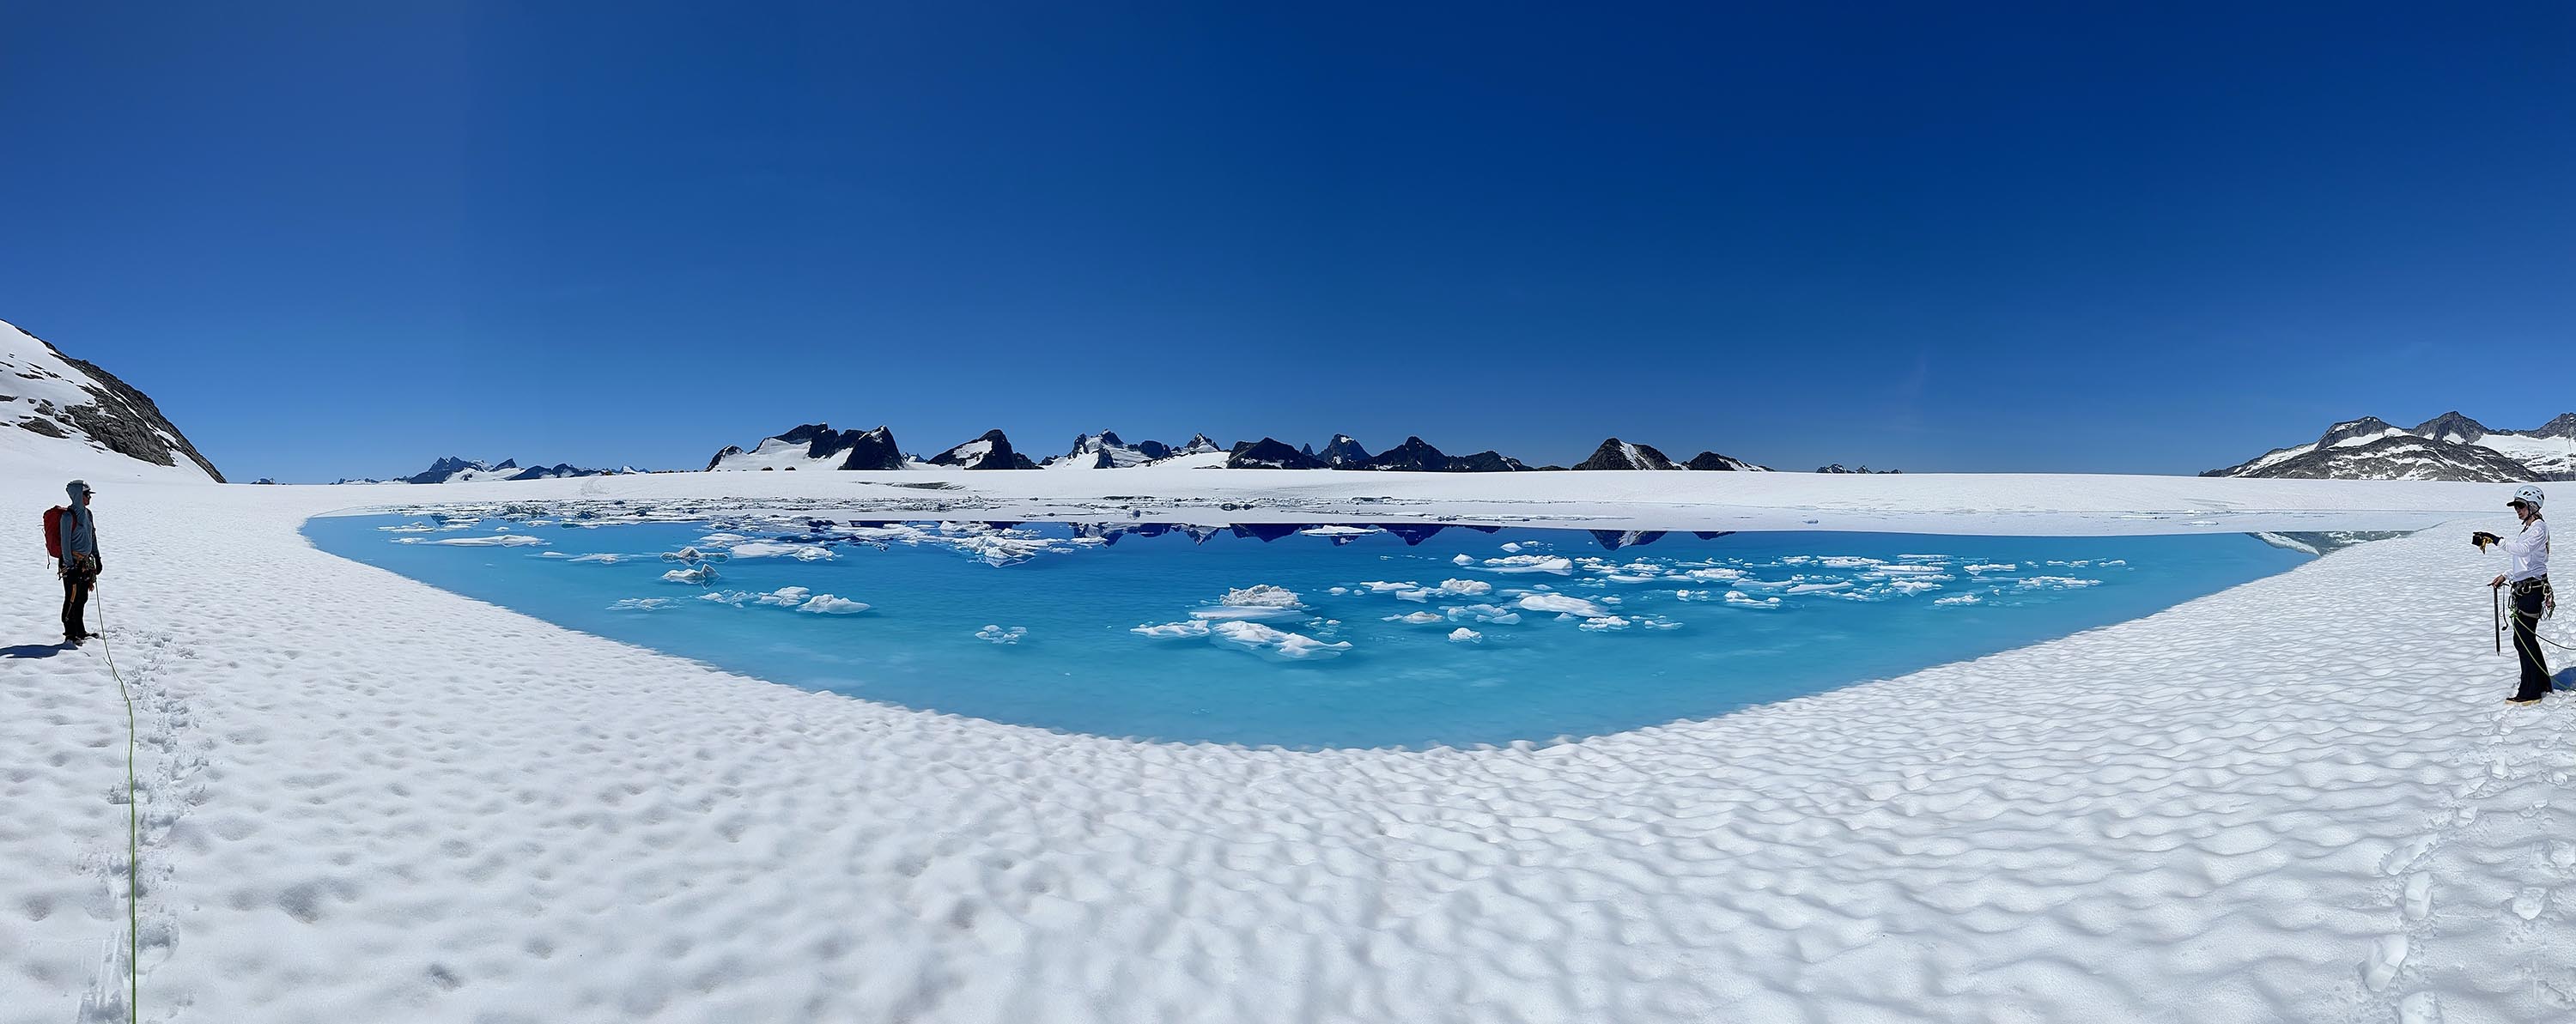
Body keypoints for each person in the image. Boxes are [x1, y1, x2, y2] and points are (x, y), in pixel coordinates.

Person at [2475, 484, 2552, 705]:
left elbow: (2522, 551)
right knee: (2525, 639)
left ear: (2533, 506)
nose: (2517, 510)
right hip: (2526, 587)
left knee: (2523, 640)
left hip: (2532, 591)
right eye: (2516, 506)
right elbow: (2526, 562)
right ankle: (2541, 682)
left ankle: (2531, 692)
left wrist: (2495, 539)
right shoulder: (2529, 528)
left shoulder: (2538, 528)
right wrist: (2506, 575)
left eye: (2520, 506)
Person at [56, 480, 101, 646]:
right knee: (72, 597)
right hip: (71, 563)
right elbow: (65, 544)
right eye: (86, 494)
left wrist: (97, 557)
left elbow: (92, 536)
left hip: (85, 563)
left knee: (82, 597)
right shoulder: (68, 517)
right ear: (77, 495)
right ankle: (70, 633)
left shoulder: (88, 515)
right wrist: (69, 565)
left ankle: (80, 630)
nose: (89, 498)